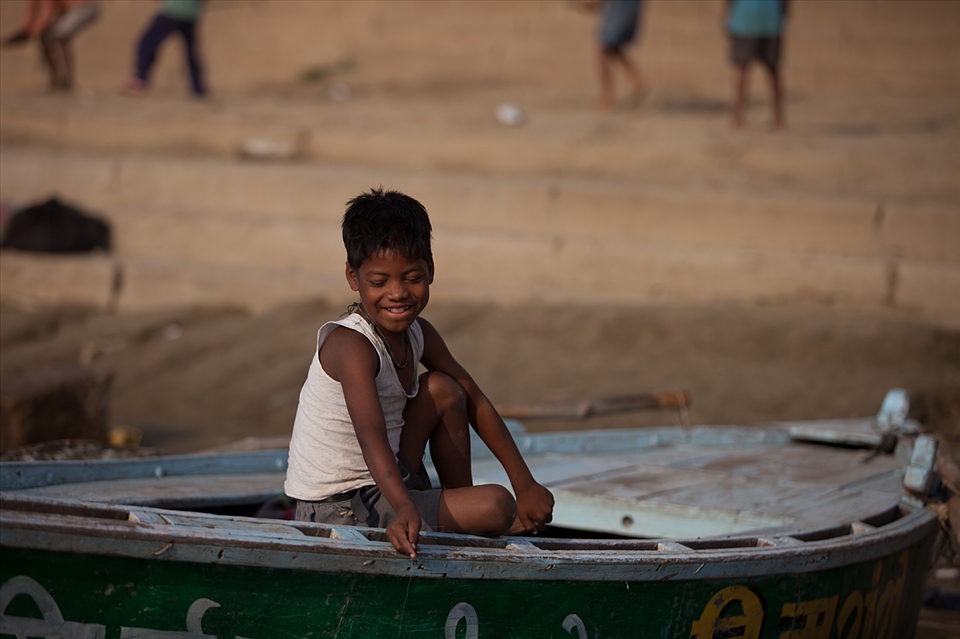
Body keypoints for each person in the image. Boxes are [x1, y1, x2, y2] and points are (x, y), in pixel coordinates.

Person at [284, 188, 555, 558]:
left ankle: (462, 523)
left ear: (430, 269)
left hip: (387, 479)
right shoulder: (350, 345)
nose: (397, 294)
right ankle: (466, 520)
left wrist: (525, 483)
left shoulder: (418, 333)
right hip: (342, 505)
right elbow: (371, 436)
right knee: (497, 505)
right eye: (379, 282)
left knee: (444, 389)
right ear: (353, 277)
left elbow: (473, 396)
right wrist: (405, 508)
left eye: (412, 278)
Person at [1, 0, 100, 92]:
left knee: (59, 37)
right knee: (46, 36)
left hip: (84, 8)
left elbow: (48, 13)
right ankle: (55, 81)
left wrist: (30, 33)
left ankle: (65, 81)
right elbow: (31, 15)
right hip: (67, 11)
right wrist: (22, 33)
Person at [724, 0, 788, 129]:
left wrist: (726, 14)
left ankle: (738, 117)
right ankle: (777, 117)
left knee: (743, 69)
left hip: (749, 19)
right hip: (767, 19)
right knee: (770, 69)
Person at [122, 0, 206, 97]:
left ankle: (140, 80)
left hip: (172, 12)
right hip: (191, 14)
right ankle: (198, 88)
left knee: (147, 43)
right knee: (191, 53)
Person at [591, 0, 644, 111]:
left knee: (605, 48)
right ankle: (635, 78)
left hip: (620, 4)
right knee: (611, 46)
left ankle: (607, 97)